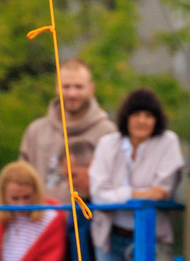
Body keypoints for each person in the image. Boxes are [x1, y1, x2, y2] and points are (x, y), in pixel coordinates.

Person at [88, 87, 185, 261]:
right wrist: (136, 193)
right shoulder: (109, 144)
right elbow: (98, 192)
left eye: (148, 115)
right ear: (126, 118)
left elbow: (163, 189)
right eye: (136, 114)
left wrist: (119, 193)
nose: (142, 121)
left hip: (147, 239)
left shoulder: (167, 142)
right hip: (110, 238)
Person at [17, 58, 116, 203]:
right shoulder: (36, 131)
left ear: (91, 89)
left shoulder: (107, 132)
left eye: (79, 87)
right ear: (56, 88)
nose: (72, 94)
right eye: (66, 87)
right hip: (41, 220)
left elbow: (117, 183)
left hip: (90, 221)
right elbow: (21, 179)